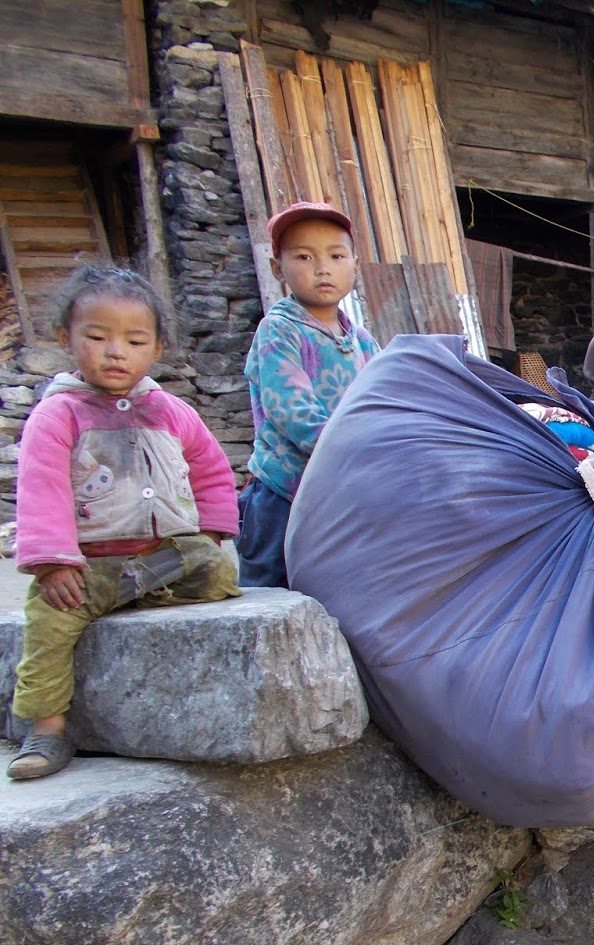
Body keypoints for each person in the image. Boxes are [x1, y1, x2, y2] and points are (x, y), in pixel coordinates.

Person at [7, 265, 241, 781]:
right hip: (90, 566)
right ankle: (44, 727)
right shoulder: (59, 413)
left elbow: (209, 467)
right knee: (49, 622)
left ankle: (148, 593)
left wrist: (214, 529)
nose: (117, 352)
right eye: (97, 337)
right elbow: (41, 486)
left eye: (135, 340)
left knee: (219, 573)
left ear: (156, 349)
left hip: (163, 558)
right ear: (65, 337)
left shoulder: (172, 410)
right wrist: (52, 563)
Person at [239, 200, 378, 587]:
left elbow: (387, 403)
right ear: (276, 268)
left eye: (336, 255)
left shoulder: (364, 344)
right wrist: (360, 451)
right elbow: (293, 411)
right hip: (283, 495)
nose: (322, 268)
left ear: (354, 263)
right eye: (303, 256)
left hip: (341, 496)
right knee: (269, 600)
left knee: (334, 593)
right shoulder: (279, 331)